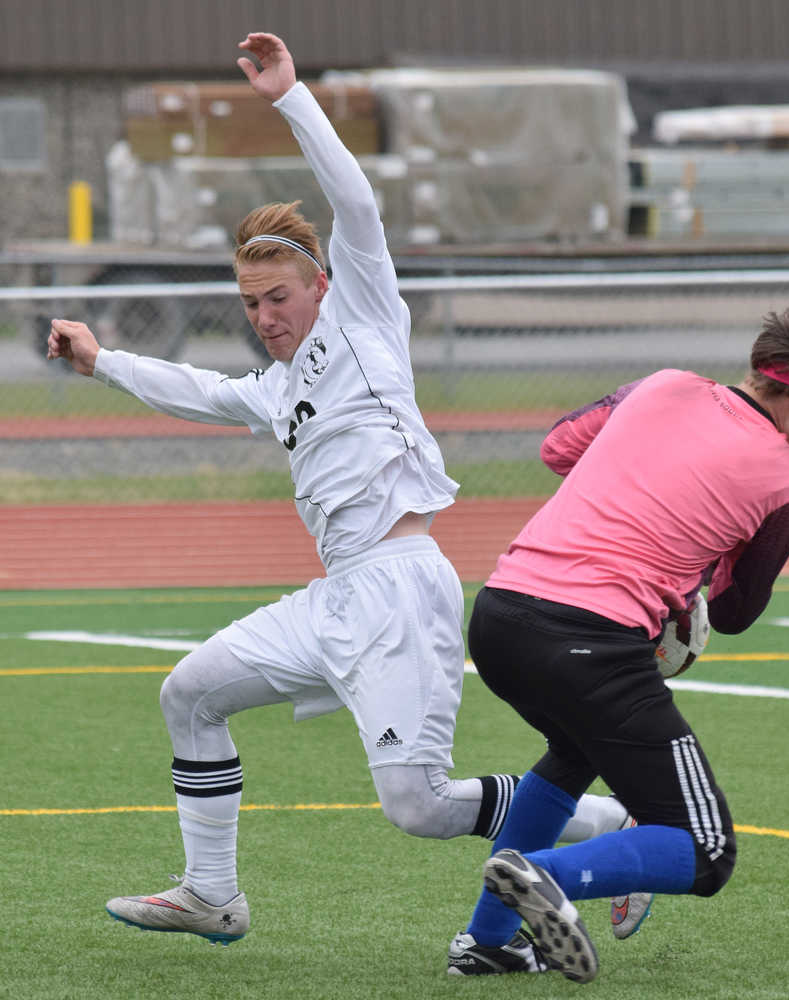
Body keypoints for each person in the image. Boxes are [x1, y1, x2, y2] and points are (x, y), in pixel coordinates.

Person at [46, 32, 626, 948]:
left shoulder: (365, 315)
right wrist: (103, 361)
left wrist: (289, 97)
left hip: (400, 585)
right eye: (250, 303)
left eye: (278, 297)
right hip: (339, 597)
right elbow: (201, 392)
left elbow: (353, 199)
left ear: (319, 283)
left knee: (420, 807)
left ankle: (608, 832)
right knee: (188, 696)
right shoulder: (278, 387)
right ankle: (212, 895)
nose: (265, 317)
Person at [447, 298, 789, 983]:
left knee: (572, 752)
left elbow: (559, 446)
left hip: (499, 615)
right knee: (705, 851)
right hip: (589, 641)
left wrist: (640, 485)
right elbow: (735, 613)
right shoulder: (788, 483)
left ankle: (488, 943)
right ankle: (541, 873)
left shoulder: (662, 384)